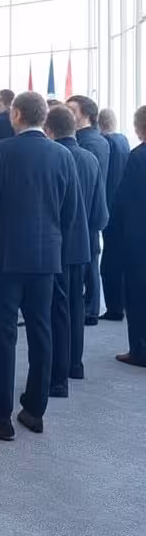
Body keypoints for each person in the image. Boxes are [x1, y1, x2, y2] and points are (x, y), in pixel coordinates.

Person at [0, 92, 85, 440]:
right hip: (46, 258)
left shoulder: (2, 151)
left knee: (3, 336)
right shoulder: (63, 155)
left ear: (16, 115)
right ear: (44, 117)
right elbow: (71, 211)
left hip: (4, 258)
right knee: (41, 331)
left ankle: (0, 417)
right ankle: (34, 410)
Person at [44, 104, 106, 396]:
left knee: (56, 311)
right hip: (83, 244)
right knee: (76, 305)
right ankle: (75, 365)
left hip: (56, 247)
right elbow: (100, 213)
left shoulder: (53, 158)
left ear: (49, 129)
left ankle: (57, 375)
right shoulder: (91, 159)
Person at [66, 94, 110, 325]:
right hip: (90, 208)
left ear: (86, 115)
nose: (68, 114)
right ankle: (89, 307)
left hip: (86, 208)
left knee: (89, 258)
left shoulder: (90, 143)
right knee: (90, 257)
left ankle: (90, 309)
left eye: (72, 110)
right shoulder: (94, 140)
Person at [108, 105, 146, 368]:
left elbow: (123, 200)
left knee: (137, 294)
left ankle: (140, 351)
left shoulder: (138, 157)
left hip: (139, 239)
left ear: (139, 128)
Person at [97, 108, 131, 322]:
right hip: (122, 208)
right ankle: (122, 303)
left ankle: (114, 307)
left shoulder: (106, 144)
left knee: (109, 262)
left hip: (109, 206)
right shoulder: (124, 141)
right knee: (120, 258)